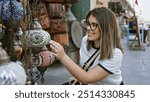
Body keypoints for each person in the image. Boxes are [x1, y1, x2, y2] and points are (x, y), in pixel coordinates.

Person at [49, 7, 124, 85]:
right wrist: (78, 76)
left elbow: (87, 78)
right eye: (88, 23)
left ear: (105, 28)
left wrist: (63, 56)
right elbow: (84, 68)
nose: (88, 28)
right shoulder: (85, 40)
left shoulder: (115, 54)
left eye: (94, 25)